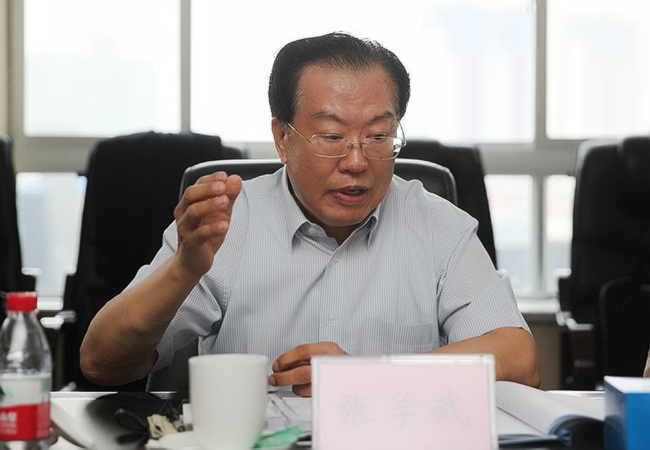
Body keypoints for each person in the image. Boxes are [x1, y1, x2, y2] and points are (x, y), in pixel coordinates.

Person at [80, 32, 540, 396]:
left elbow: (520, 360)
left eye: (378, 136)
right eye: (332, 137)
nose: (357, 161)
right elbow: (102, 363)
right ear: (282, 138)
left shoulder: (438, 225)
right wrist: (184, 269)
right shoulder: (229, 223)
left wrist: (370, 377)